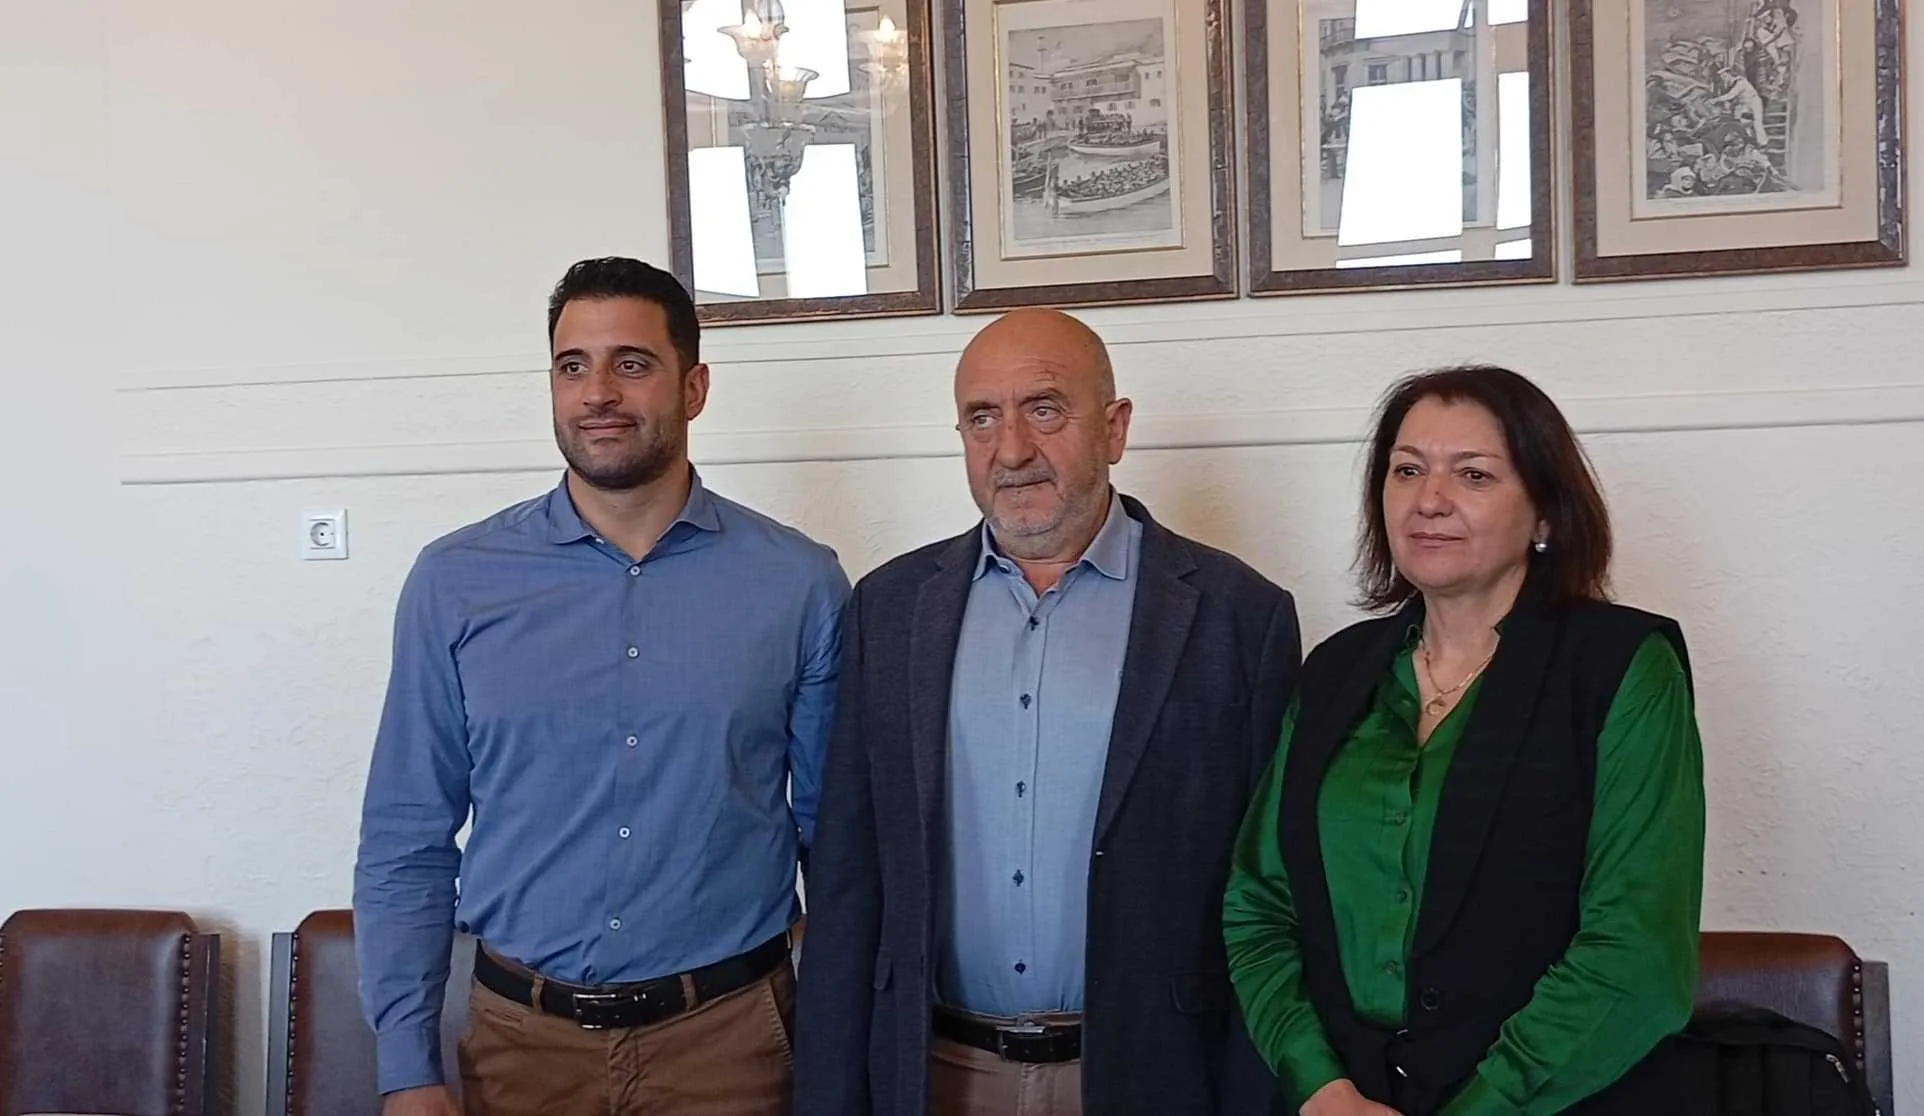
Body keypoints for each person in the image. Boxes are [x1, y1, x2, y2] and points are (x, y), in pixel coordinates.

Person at [354, 257, 851, 1116]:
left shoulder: (800, 584)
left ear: (694, 388)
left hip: (730, 1046)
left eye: (632, 363)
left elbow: (834, 839)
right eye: (572, 366)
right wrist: (406, 1066)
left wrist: (846, 1049)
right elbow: (407, 836)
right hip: (520, 1048)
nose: (597, 394)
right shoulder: (454, 582)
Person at [793, 308, 1302, 1116]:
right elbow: (848, 879)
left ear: (1115, 428)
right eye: (981, 418)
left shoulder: (1240, 616)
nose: (1011, 450)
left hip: (1150, 1076)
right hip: (936, 1075)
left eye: (1044, 409)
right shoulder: (889, 609)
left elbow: (1270, 892)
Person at [1223, 365, 1706, 1116]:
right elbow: (1258, 904)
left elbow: (1638, 954)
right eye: (1407, 470)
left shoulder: (1622, 667)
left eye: (1473, 475)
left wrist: (1485, 1105)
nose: (1429, 500)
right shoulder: (1336, 671)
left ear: (1545, 513)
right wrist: (1318, 1085)